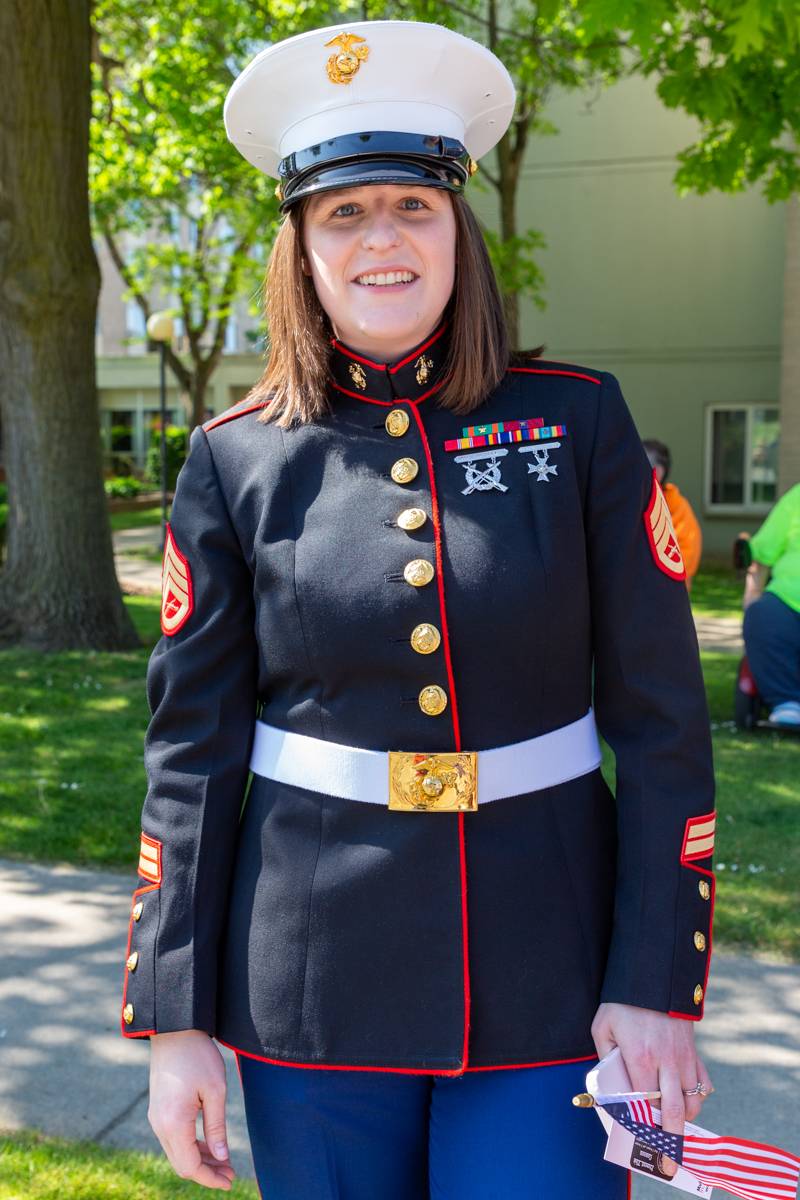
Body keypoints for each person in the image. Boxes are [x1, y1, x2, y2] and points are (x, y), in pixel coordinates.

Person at [120, 20, 716, 1198]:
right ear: (299, 244)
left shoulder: (575, 423)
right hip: (309, 985)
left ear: (458, 232)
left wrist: (654, 981)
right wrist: (173, 1021)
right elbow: (191, 752)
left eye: (412, 204)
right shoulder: (236, 461)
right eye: (343, 212)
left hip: (552, 970)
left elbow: (660, 728)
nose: (380, 237)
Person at [742, 481, 800, 727]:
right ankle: (788, 702)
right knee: (762, 615)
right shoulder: (796, 497)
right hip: (788, 598)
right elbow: (762, 550)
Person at [643, 439, 702, 590]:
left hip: (667, 588)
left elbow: (687, 551)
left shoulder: (675, 505)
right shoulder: (629, 501)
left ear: (659, 471)